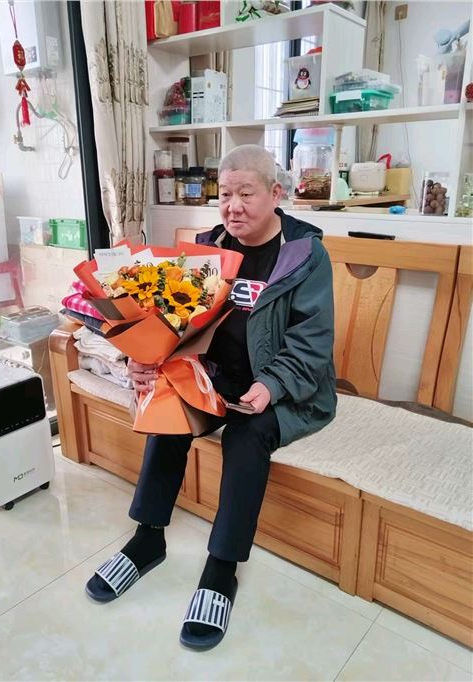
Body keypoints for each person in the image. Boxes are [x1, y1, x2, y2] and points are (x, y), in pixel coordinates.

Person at [85, 144, 336, 651]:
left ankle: (222, 568)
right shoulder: (206, 250)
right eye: (225, 195)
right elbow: (175, 322)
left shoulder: (304, 255)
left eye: (247, 194)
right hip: (216, 376)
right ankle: (147, 538)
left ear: (275, 193)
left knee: (247, 435)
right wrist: (145, 358)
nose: (233, 207)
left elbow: (312, 343)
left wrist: (271, 385)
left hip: (285, 388)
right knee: (169, 410)